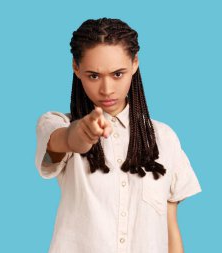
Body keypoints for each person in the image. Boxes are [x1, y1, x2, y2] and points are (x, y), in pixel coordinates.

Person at [35, 17, 202, 253]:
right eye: (93, 75)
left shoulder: (164, 138)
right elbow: (61, 141)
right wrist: (80, 135)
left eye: (117, 74)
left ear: (135, 64)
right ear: (76, 68)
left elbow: (170, 226)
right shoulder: (56, 123)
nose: (106, 89)